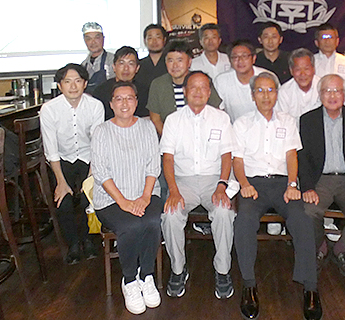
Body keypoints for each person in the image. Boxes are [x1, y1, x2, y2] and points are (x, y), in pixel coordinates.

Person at [232, 72, 322, 320]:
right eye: (260, 90)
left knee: (302, 221)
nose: (266, 95)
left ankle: (311, 288)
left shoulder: (288, 121)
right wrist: (244, 184)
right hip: (253, 184)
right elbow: (237, 160)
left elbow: (292, 155)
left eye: (270, 90)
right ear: (252, 95)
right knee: (244, 221)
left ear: (277, 94)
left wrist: (293, 183)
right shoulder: (241, 123)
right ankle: (249, 284)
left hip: (283, 183)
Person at [160, 71, 237, 300]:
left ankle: (222, 270)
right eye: (193, 87)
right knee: (171, 214)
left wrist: (222, 185)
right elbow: (167, 159)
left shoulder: (221, 118)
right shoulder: (173, 120)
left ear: (209, 92)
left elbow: (227, 155)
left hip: (214, 179)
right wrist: (173, 191)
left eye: (203, 87)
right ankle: (178, 269)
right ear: (185, 91)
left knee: (224, 211)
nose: (198, 92)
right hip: (183, 181)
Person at [91, 81, 162, 314]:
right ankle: (129, 280)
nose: (124, 103)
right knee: (130, 225)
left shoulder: (147, 127)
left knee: (152, 221)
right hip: (110, 199)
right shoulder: (101, 131)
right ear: (111, 104)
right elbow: (101, 173)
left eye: (129, 98)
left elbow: (153, 166)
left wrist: (144, 197)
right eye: (119, 99)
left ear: (136, 102)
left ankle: (146, 276)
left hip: (145, 192)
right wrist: (123, 202)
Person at [298, 74, 345, 281]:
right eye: (327, 91)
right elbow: (302, 158)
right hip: (320, 180)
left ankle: (343, 250)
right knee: (308, 211)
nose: (332, 95)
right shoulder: (308, 120)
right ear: (320, 94)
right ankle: (319, 247)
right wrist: (307, 187)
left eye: (337, 91)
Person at [40, 63, 104, 264]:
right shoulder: (49, 109)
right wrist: (61, 181)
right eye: (67, 81)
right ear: (60, 86)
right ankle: (73, 244)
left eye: (78, 81)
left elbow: (97, 144)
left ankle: (89, 239)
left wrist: (91, 178)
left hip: (89, 157)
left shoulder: (95, 106)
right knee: (63, 200)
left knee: (89, 198)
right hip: (62, 159)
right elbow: (51, 149)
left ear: (85, 83)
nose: (73, 86)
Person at [147, 40, 220, 136]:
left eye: (180, 60)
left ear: (189, 62)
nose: (175, 65)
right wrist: (170, 139)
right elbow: (155, 119)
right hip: (170, 138)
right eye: (170, 61)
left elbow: (216, 112)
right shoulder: (158, 84)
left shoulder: (201, 80)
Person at [213, 40, 268, 122]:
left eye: (244, 56)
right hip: (234, 127)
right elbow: (218, 111)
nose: (240, 61)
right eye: (235, 57)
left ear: (253, 58)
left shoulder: (267, 77)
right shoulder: (221, 80)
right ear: (230, 60)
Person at [92, 46, 148, 119]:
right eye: (121, 63)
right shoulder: (100, 91)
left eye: (131, 64)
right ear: (114, 67)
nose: (126, 68)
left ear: (137, 68)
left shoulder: (144, 92)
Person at [312, 23, 345, 103]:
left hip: (340, 108)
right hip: (315, 107)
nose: (327, 41)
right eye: (323, 38)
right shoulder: (310, 62)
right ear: (316, 42)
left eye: (330, 37)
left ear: (337, 41)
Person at [276, 48, 321, 119]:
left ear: (313, 69)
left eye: (306, 69)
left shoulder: (323, 87)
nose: (302, 74)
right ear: (291, 71)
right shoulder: (284, 91)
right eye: (298, 69)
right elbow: (283, 120)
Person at [134, 23, 169, 107]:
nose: (154, 41)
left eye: (158, 37)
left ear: (164, 40)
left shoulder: (172, 64)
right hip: (143, 108)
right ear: (144, 41)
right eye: (150, 38)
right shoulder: (138, 65)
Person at [80, 22, 114, 91]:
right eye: (88, 39)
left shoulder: (113, 60)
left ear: (103, 38)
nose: (93, 42)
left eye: (97, 37)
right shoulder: (83, 65)